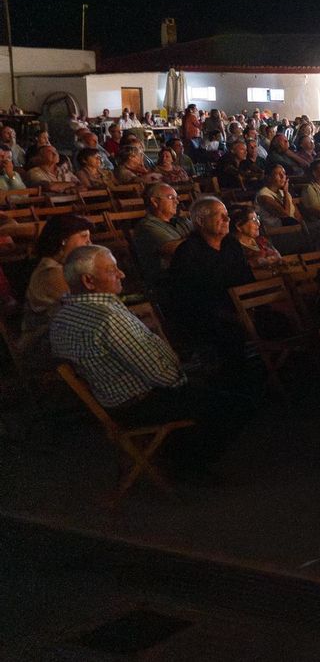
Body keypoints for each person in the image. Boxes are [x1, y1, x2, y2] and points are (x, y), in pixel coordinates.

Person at [50, 245, 254, 476]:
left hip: (111, 401)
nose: (121, 274)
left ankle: (177, 450)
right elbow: (162, 376)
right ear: (89, 281)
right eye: (112, 270)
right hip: (139, 403)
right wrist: (187, 378)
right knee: (237, 400)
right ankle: (189, 465)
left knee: (219, 382)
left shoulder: (63, 314)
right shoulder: (107, 317)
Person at [168, 196, 255, 348]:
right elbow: (191, 298)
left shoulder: (232, 243)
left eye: (226, 214)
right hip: (211, 316)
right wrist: (233, 315)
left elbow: (247, 277)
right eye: (219, 215)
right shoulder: (188, 252)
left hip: (243, 307)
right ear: (201, 221)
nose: (227, 218)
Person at [20, 214, 95, 358]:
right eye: (83, 236)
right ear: (63, 240)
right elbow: (86, 308)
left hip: (65, 335)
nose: (90, 243)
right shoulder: (50, 272)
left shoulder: (63, 267)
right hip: (42, 345)